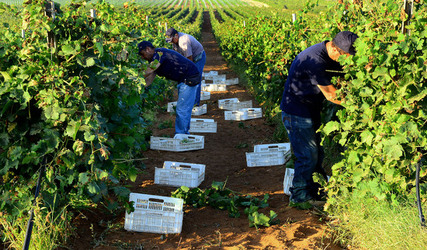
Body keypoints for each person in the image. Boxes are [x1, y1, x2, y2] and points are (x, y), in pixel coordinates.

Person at [280, 31, 358, 209]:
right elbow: (331, 95)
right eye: (346, 57)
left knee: (316, 153)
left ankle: (312, 190)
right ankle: (299, 196)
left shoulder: (329, 54)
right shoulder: (315, 61)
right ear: (335, 49)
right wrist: (359, 106)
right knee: (307, 154)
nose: (347, 62)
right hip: (296, 113)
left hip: (310, 110)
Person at [138, 41, 201, 134]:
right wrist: (139, 87)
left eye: (142, 54)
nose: (142, 57)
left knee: (182, 109)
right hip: (184, 79)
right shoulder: (154, 59)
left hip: (189, 78)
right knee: (183, 108)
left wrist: (136, 77)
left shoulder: (159, 54)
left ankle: (181, 135)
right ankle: (183, 133)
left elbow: (150, 69)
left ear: (147, 49)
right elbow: (149, 78)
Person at [165, 28, 206, 106]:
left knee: (195, 79)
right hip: (188, 57)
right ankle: (185, 100)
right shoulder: (175, 40)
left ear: (176, 35)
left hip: (198, 58)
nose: (172, 42)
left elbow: (189, 59)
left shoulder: (184, 42)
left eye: (172, 40)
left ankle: (195, 103)